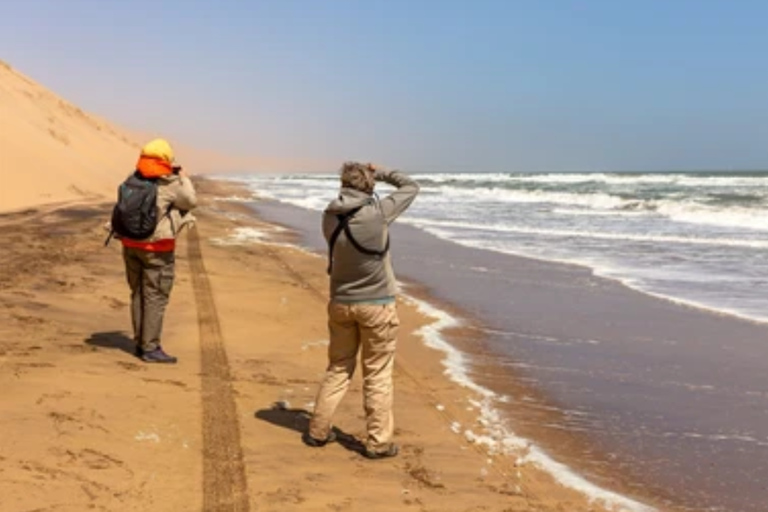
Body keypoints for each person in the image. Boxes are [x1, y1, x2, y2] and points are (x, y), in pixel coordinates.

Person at [305, 161, 419, 459]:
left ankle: (318, 430)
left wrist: (367, 180)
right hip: (377, 304)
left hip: (340, 302)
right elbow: (410, 186)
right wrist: (380, 172)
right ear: (368, 185)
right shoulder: (377, 214)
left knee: (338, 367)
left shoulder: (329, 216)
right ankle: (378, 441)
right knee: (377, 374)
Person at [120, 139, 197, 364]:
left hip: (130, 244)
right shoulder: (169, 183)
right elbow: (190, 201)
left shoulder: (132, 178)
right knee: (155, 296)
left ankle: (139, 342)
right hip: (157, 249)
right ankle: (151, 348)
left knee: (137, 293)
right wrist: (184, 177)